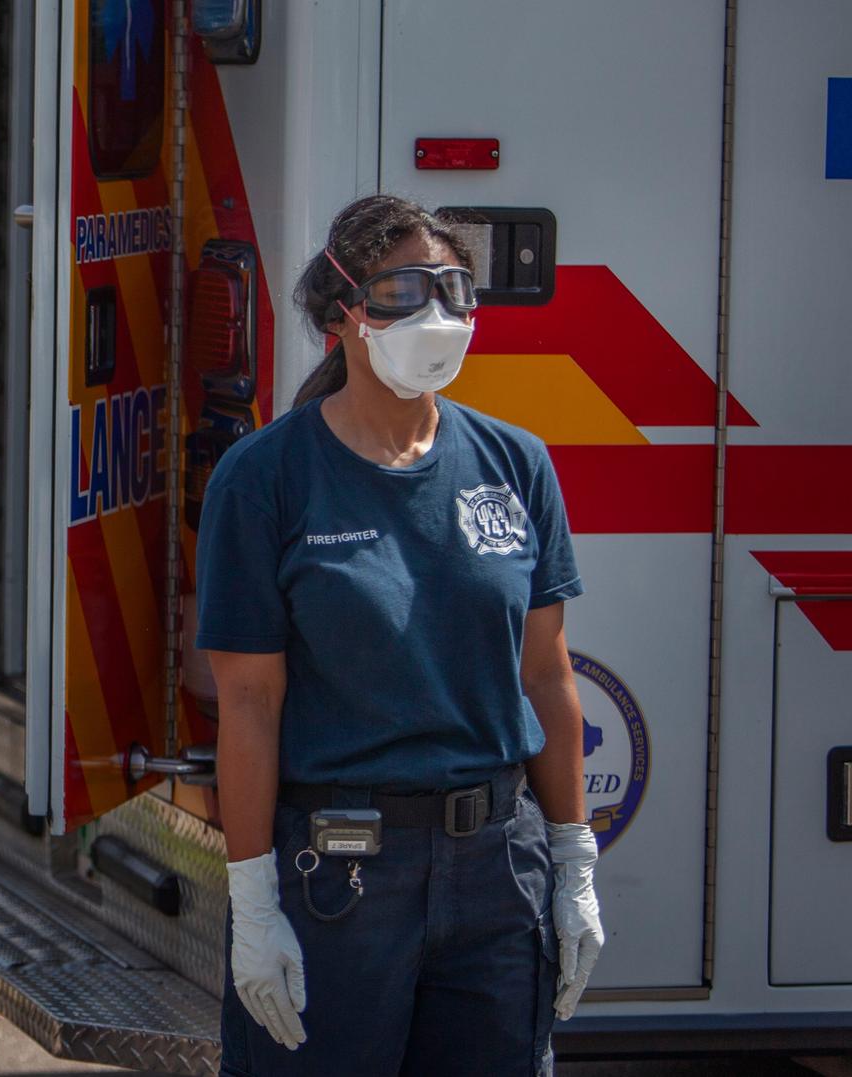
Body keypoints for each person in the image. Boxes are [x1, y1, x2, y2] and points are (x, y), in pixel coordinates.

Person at [195, 194, 605, 1076]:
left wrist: (573, 864)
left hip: (499, 875)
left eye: (456, 289)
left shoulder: (515, 463)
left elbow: (547, 675)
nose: (440, 315)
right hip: (339, 879)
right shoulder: (265, 477)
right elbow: (250, 704)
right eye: (407, 289)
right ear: (342, 312)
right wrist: (254, 899)